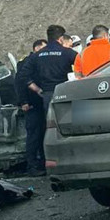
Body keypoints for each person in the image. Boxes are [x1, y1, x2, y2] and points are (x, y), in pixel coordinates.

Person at [16, 25, 80, 176]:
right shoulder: (68, 53)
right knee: (69, 128)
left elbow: (22, 76)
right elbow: (82, 68)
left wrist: (37, 89)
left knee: (49, 130)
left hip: (47, 96)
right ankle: (71, 162)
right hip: (66, 94)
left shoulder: (38, 55)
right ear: (60, 38)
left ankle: (51, 163)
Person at [15, 39, 47, 176]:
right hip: (32, 104)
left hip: (41, 103)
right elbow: (20, 83)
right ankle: (32, 165)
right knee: (34, 136)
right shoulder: (26, 63)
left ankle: (42, 163)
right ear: (37, 48)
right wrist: (24, 101)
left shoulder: (40, 62)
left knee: (42, 134)